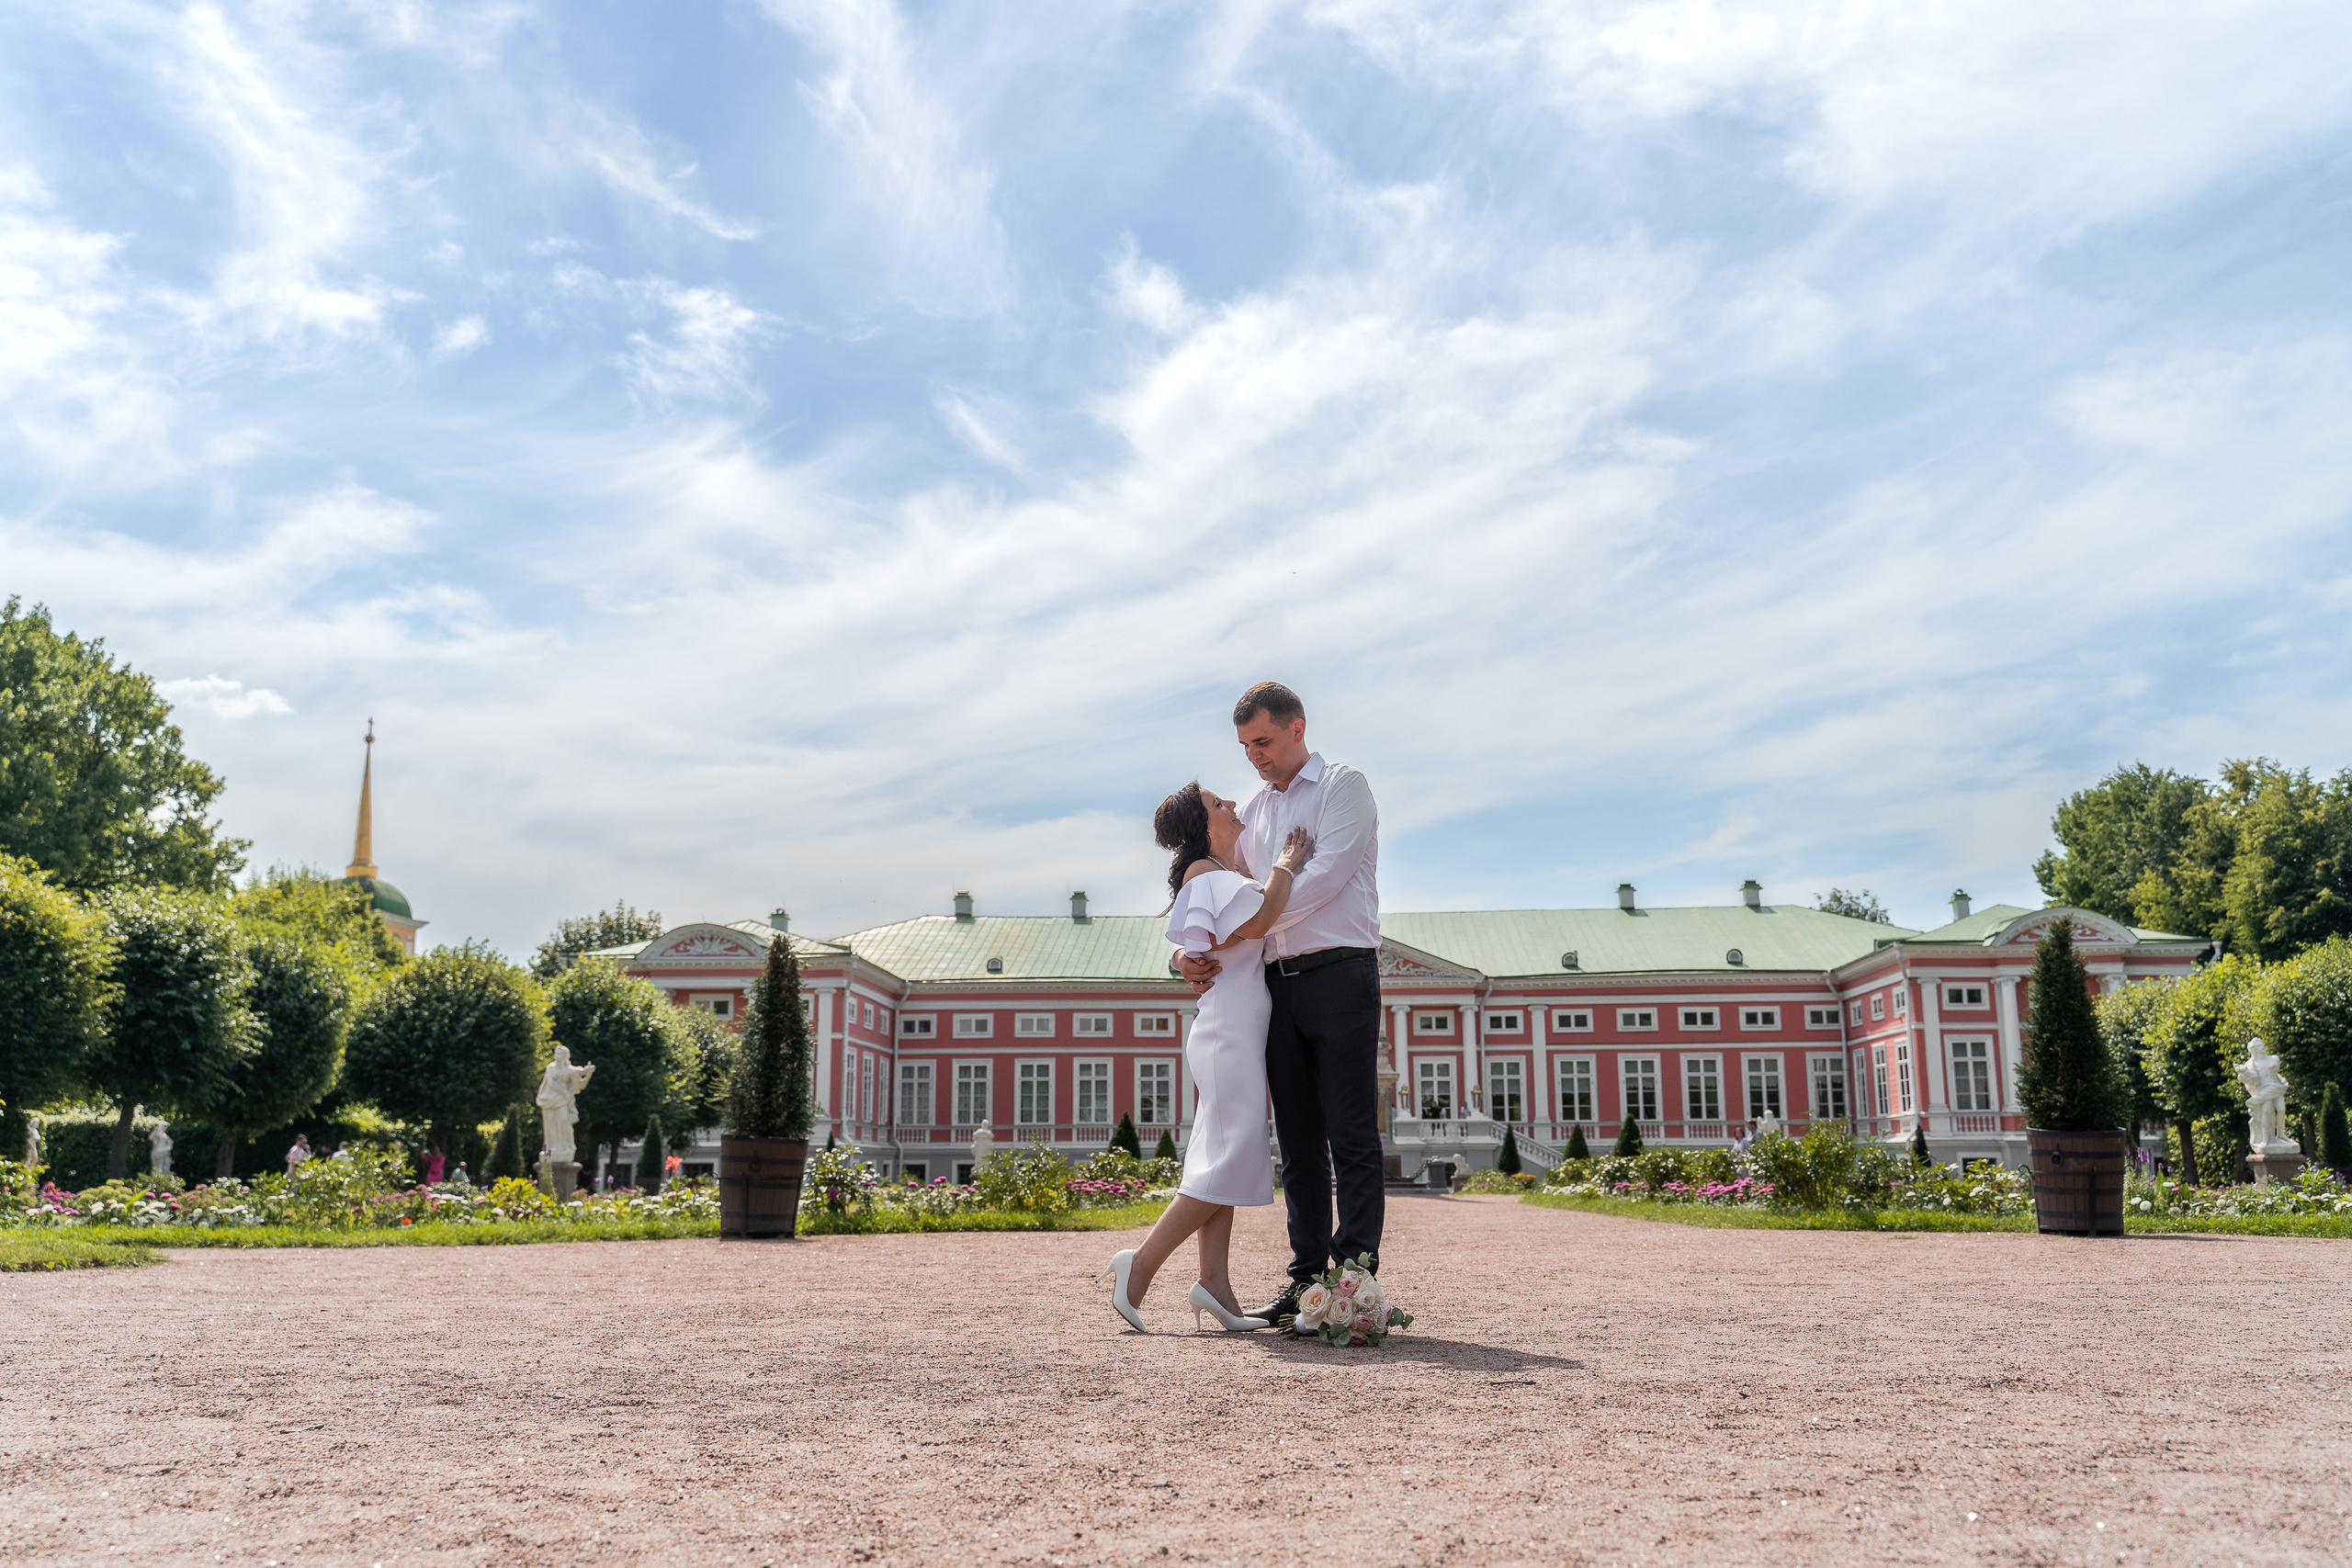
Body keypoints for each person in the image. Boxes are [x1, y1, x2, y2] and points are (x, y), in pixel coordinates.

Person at [1176, 682, 1384, 1326]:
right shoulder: (1256, 813)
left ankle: (1350, 1283)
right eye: (1245, 747)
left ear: (1297, 727)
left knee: (1350, 1132)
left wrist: (1247, 922)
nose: (1255, 757)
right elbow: (1213, 891)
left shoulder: (1343, 786)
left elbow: (1322, 879)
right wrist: (1184, 952)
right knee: (1296, 1141)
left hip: (1341, 974)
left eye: (1262, 741)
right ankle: (1306, 1283)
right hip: (1274, 988)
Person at [1102, 789, 1312, 1333]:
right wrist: (1286, 865)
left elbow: (1207, 940)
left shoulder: (1217, 870)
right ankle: (1140, 1266)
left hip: (1232, 1026)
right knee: (1231, 1151)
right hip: (1227, 1030)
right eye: (1221, 802)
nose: (1233, 804)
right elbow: (1262, 920)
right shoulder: (1211, 873)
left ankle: (1214, 1283)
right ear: (1204, 821)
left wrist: (1180, 957)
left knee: (1220, 1155)